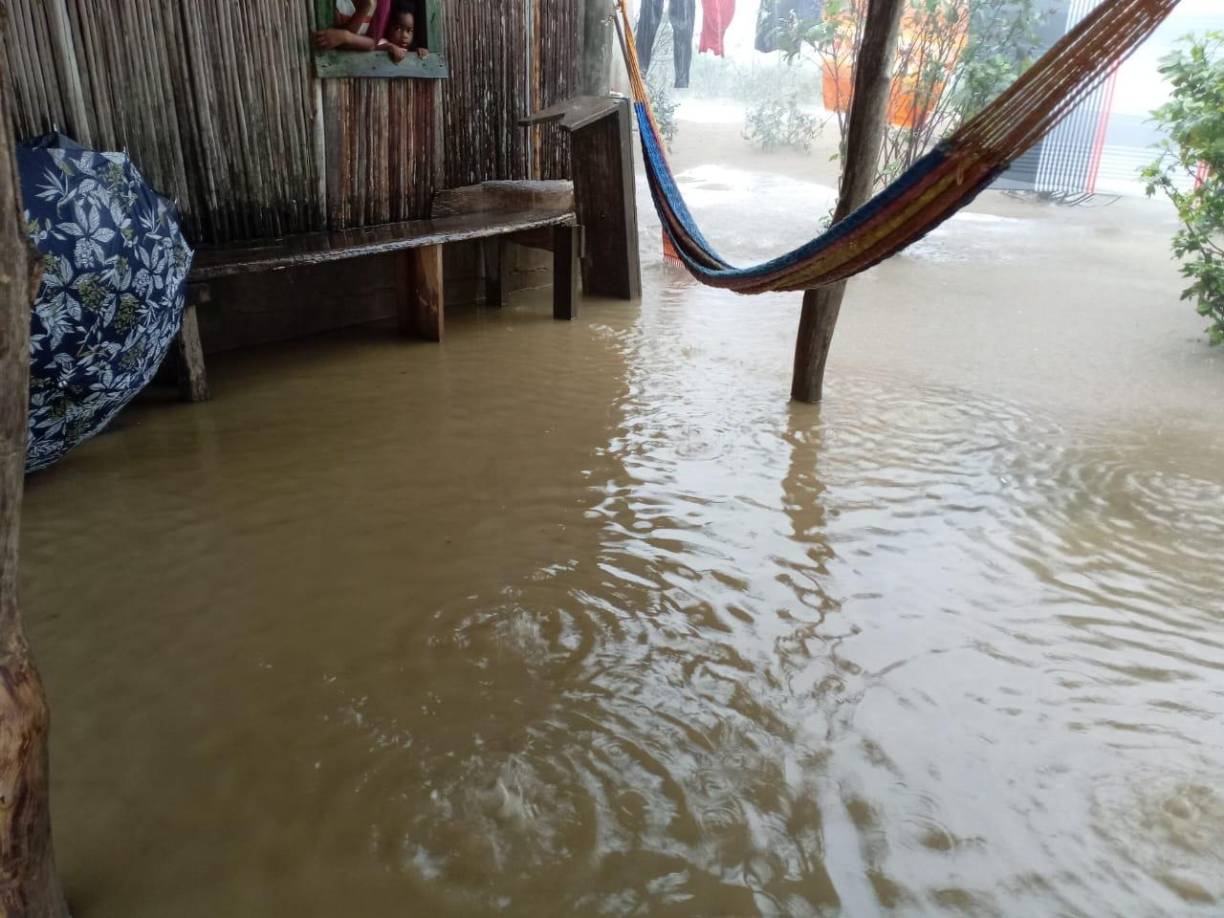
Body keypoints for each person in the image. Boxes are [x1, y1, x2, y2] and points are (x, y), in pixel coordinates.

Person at [313, 0, 428, 63]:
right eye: (399, 29)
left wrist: (346, 36)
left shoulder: (379, 4)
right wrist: (365, 8)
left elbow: (372, 43)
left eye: (410, 30)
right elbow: (338, 42)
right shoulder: (337, 4)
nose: (404, 35)